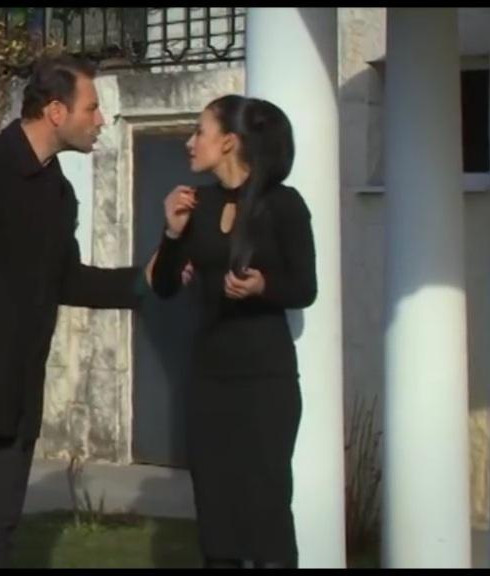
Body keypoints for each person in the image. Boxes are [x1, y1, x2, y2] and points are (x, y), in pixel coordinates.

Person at [0, 54, 147, 568]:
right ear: (56, 111)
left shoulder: (59, 192)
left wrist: (145, 281)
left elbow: (68, 280)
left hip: (19, 389)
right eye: (92, 107)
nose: (101, 119)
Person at [146, 94, 317, 569]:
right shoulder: (196, 206)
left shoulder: (283, 204)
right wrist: (172, 233)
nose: (190, 142)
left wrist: (263, 285)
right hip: (209, 380)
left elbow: (305, 287)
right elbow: (164, 286)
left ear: (229, 142)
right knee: (216, 510)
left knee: (266, 508)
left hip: (265, 380)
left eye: (199, 131)